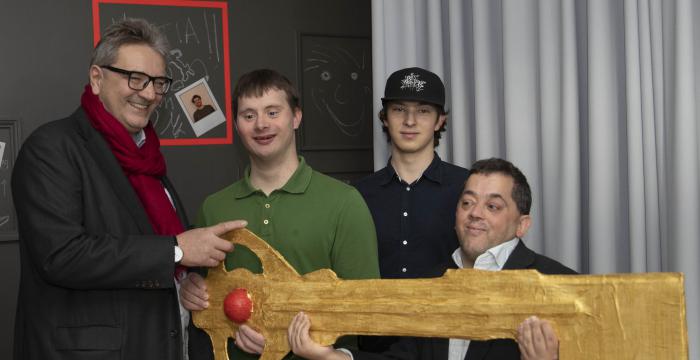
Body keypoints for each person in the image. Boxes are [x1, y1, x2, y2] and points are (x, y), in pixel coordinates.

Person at [11, 18, 244, 360]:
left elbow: (148, 252)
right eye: (135, 78)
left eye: (159, 82)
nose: (149, 94)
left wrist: (187, 280)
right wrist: (176, 251)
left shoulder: (146, 157)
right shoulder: (51, 148)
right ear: (96, 78)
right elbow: (61, 255)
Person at [288, 157, 577, 360]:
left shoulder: (563, 285)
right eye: (467, 202)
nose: (475, 212)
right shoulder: (432, 282)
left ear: (522, 224)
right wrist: (328, 356)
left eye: (493, 205)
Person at [181, 69, 380, 360]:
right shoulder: (214, 207)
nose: (261, 124)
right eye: (249, 115)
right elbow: (205, 300)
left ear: (296, 117)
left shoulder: (345, 203)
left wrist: (285, 337)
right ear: (237, 125)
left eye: (273, 112)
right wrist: (191, 291)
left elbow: (365, 308)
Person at [352, 67, 469, 351]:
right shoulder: (357, 196)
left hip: (448, 342)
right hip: (373, 346)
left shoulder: (468, 189)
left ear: (440, 120)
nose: (410, 121)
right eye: (399, 109)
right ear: (384, 118)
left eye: (424, 111)